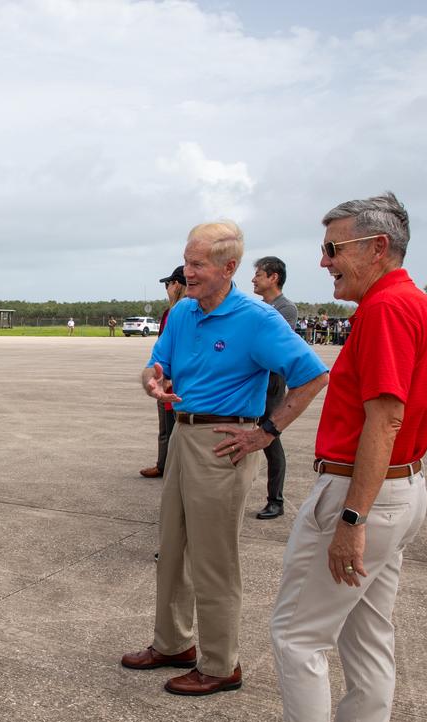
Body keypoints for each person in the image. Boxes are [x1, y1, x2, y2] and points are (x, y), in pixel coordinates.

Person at [239, 192, 427, 722]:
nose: (324, 260)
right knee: (368, 636)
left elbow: (384, 417)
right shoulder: (421, 305)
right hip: (402, 490)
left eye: (334, 248)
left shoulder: (387, 309)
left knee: (297, 635)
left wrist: (351, 521)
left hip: (365, 493)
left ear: (376, 247)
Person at [120, 220, 328, 696]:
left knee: (213, 559)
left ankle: (220, 664)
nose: (187, 273)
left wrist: (266, 432)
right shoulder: (184, 315)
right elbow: (157, 367)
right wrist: (152, 381)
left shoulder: (257, 319)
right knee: (172, 547)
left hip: (223, 442)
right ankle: (173, 642)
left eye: (197, 264)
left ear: (228, 267)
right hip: (183, 434)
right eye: (187, 262)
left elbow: (312, 376)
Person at [250, 256, 299, 520]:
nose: (253, 279)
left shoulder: (285, 308)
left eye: (258, 274)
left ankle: (275, 500)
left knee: (271, 438)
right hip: (254, 379)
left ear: (273, 277)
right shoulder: (259, 307)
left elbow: (274, 346)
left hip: (272, 382)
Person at [140, 266, 186, 479]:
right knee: (166, 428)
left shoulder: (181, 313)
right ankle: (164, 465)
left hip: (176, 384)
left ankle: (172, 468)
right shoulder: (172, 312)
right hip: (164, 378)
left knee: (174, 429)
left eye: (168, 284)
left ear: (177, 284)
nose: (166, 288)